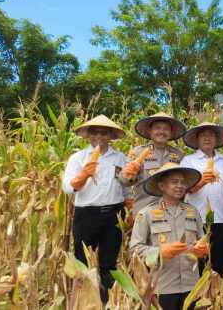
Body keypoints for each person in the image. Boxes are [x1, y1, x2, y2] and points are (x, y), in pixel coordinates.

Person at [62, 115, 130, 305]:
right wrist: (84, 174)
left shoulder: (119, 158)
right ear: (88, 135)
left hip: (114, 215)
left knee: (109, 263)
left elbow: (126, 188)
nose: (99, 136)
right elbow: (68, 188)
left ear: (110, 135)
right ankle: (84, 302)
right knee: (82, 261)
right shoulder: (78, 158)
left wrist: (130, 211)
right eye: (95, 132)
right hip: (87, 215)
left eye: (103, 132)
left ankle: (107, 302)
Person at [130, 163, 209, 310]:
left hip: (192, 286)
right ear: (161, 186)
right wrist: (159, 252)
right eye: (174, 182)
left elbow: (203, 241)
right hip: (162, 287)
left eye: (183, 182)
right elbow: (134, 251)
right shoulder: (146, 213)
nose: (180, 186)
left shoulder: (193, 211)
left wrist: (204, 249)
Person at [180, 122, 223, 276]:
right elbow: (184, 188)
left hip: (222, 217)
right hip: (199, 218)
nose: (207, 138)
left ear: (216, 139)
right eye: (203, 135)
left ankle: (216, 292)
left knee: (221, 259)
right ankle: (201, 294)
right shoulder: (188, 161)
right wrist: (202, 181)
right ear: (197, 140)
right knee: (200, 258)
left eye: (211, 135)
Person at [121, 112, 186, 217]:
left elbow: (184, 184)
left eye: (166, 129)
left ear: (170, 132)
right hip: (144, 212)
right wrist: (129, 173)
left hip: (172, 214)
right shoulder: (137, 153)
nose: (161, 131)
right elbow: (124, 182)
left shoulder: (179, 155)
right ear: (150, 131)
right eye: (157, 128)